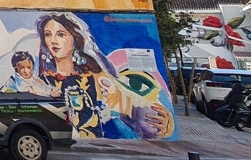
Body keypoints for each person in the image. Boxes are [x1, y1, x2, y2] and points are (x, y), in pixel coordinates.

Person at [35, 13, 169, 139]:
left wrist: (161, 122)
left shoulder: (94, 78)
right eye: (47, 34)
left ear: (75, 39)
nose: (53, 41)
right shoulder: (42, 80)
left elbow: (127, 102)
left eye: (61, 35)